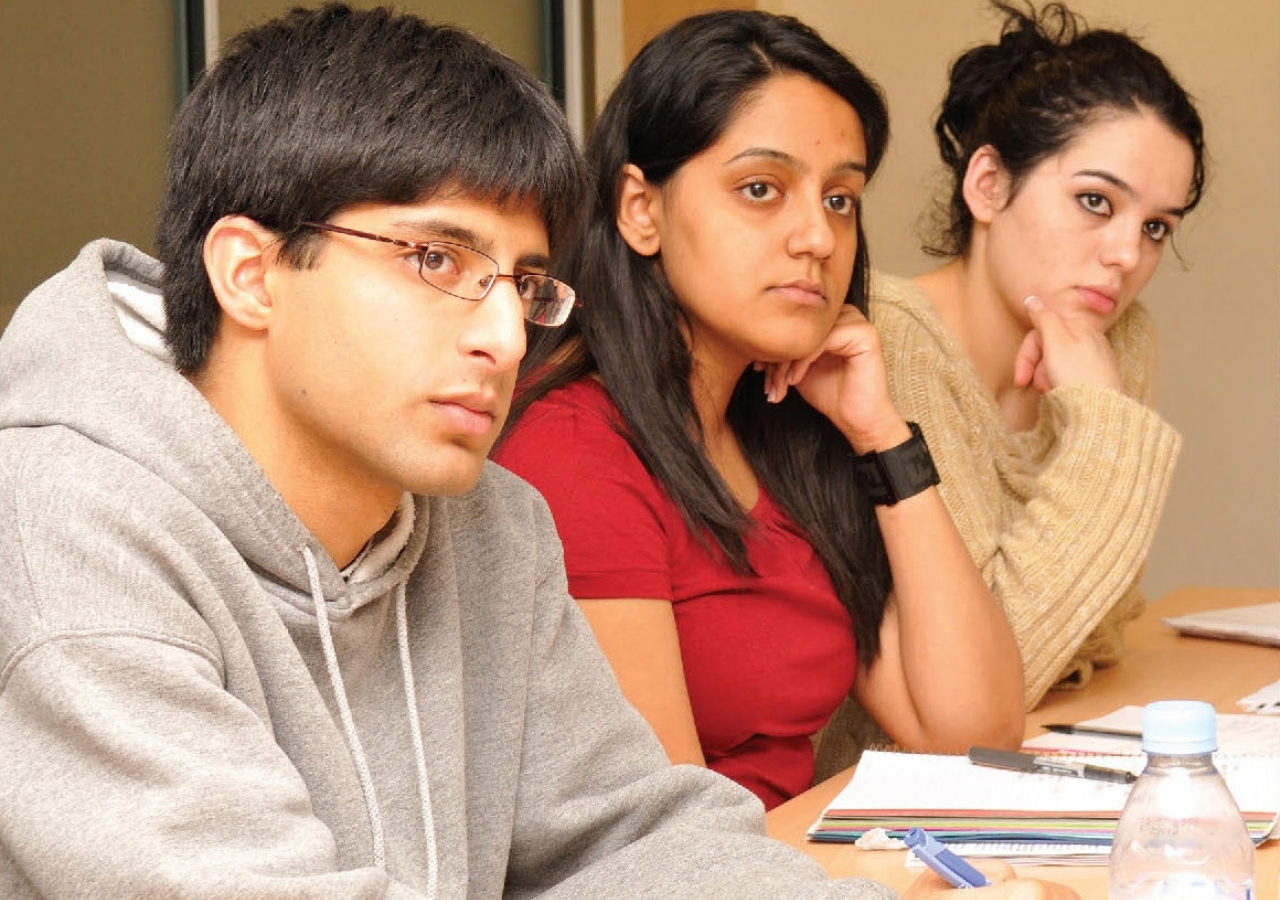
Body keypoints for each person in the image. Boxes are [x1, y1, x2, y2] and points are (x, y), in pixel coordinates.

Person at [0, 6, 1085, 899]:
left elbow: (637, 836)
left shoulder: (488, 521)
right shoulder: (67, 532)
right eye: (434, 257)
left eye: (521, 284)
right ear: (249, 272)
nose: (504, 335)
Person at [494, 9, 1024, 813]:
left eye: (840, 198)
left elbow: (973, 735)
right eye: (760, 189)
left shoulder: (779, 428)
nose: (816, 235)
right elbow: (668, 840)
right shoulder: (573, 453)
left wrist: (881, 436)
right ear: (641, 209)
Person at [864, 1, 1204, 708]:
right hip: (881, 790)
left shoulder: (1118, 338)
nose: (1127, 255)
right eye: (1095, 201)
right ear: (988, 185)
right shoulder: (888, 339)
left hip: (1047, 744)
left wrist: (1071, 633)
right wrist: (1107, 424)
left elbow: (1105, 622)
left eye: (1156, 227)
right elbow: (990, 676)